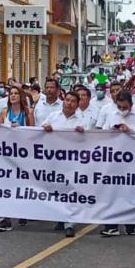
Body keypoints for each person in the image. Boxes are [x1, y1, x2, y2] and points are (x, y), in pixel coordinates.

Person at [34, 91, 86, 238]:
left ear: (77, 104)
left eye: (73, 101)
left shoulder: (82, 119)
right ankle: (60, 218)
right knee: (57, 189)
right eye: (67, 100)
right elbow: (42, 128)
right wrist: (46, 128)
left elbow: (89, 139)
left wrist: (83, 133)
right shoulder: (53, 116)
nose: (69, 103)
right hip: (55, 160)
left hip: (73, 161)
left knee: (71, 191)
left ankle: (70, 223)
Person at [100, 91, 135, 237]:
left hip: (134, 161)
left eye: (124, 107)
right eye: (119, 107)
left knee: (131, 194)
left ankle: (131, 226)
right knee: (111, 193)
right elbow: (102, 132)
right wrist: (111, 130)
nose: (122, 110)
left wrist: (130, 131)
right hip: (114, 159)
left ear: (131, 104)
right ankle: (111, 226)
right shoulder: (112, 114)